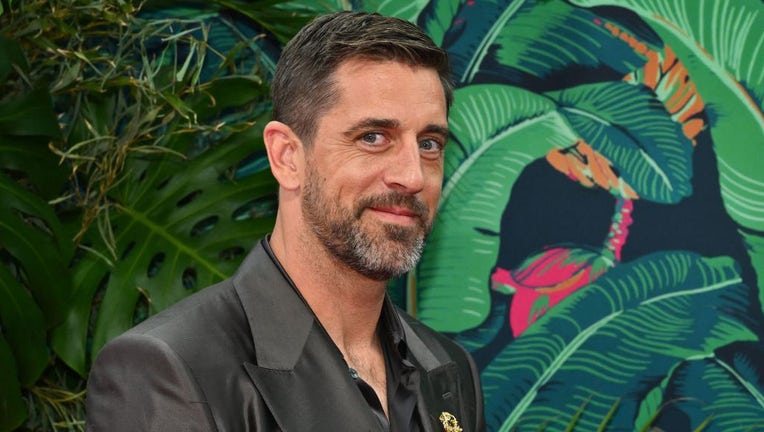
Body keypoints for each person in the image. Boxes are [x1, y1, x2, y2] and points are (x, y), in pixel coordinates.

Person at [85, 11, 485, 432]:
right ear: (287, 157)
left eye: (428, 143)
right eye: (373, 137)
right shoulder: (169, 369)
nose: (412, 175)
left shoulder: (450, 369)